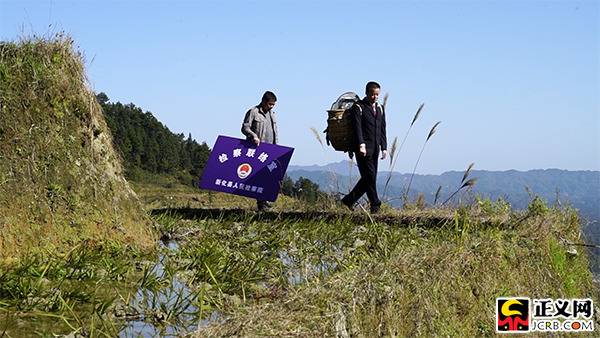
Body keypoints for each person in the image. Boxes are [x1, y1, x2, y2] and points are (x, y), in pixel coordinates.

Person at [341, 81, 388, 214]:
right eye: (373, 94)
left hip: (375, 148)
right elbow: (357, 128)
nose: (375, 97)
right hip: (363, 148)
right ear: (367, 93)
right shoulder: (359, 107)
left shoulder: (380, 108)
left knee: (369, 178)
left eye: (377, 94)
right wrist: (361, 145)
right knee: (370, 176)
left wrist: (384, 147)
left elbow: (383, 128)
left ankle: (348, 201)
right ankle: (375, 204)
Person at [241, 91, 278, 211]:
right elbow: (245, 127)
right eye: (270, 104)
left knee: (268, 176)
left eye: (273, 105)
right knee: (259, 176)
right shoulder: (253, 112)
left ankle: (265, 201)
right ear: (263, 101)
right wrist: (253, 136)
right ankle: (262, 204)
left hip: (271, 150)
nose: (271, 107)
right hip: (257, 150)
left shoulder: (272, 114)